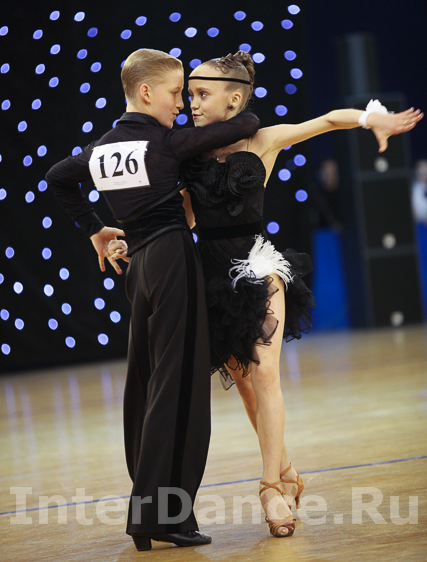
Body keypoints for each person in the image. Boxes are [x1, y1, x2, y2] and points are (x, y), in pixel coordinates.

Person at [110, 51, 423, 539]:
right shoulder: (187, 153)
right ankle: (289, 471)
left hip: (257, 268)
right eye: (188, 94)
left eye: (201, 94)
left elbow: (326, 120)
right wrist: (133, 240)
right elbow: (182, 217)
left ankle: (270, 487)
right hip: (210, 276)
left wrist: (370, 119)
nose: (192, 103)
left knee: (265, 372)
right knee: (247, 389)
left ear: (234, 100)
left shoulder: (263, 139)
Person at [45, 48, 260, 551]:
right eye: (175, 93)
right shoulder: (165, 143)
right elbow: (246, 122)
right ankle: (161, 517)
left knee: (146, 384)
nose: (181, 105)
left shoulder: (101, 148)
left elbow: (57, 176)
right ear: (145, 92)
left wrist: (95, 229)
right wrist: (232, 92)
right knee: (179, 387)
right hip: (172, 261)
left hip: (139, 269)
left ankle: (152, 513)